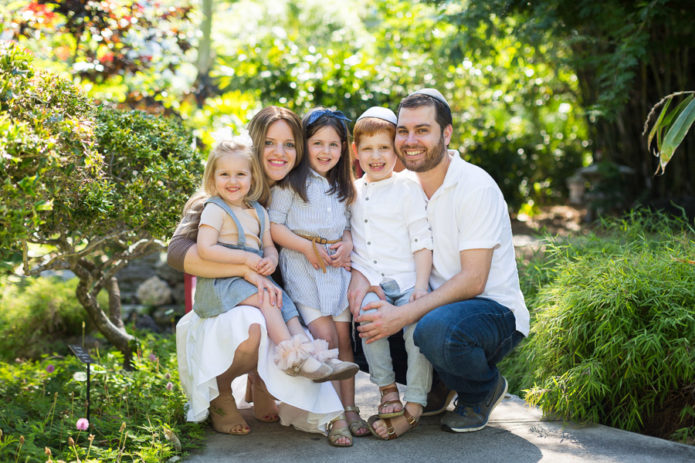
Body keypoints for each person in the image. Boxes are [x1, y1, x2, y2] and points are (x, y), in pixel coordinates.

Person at [353, 88, 530, 439]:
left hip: (489, 312)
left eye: (422, 130)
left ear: (446, 134)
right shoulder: (402, 184)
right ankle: (440, 383)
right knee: (364, 323)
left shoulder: (474, 186)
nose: (410, 140)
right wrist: (362, 284)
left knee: (432, 330)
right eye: (403, 131)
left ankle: (481, 389)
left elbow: (474, 279)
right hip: (428, 305)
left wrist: (403, 315)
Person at [171, 106, 351, 446]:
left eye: (289, 144)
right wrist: (243, 267)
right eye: (269, 142)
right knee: (254, 319)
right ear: (255, 145)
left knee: (284, 312)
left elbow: (342, 219)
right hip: (229, 299)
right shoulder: (221, 196)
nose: (279, 153)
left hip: (278, 293)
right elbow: (180, 253)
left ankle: (271, 383)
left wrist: (345, 242)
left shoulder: (296, 190)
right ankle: (222, 392)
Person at [179, 136, 355, 382]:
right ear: (212, 178)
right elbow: (206, 249)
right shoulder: (215, 209)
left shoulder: (258, 211)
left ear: (252, 177)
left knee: (286, 305)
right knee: (268, 299)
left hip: (253, 279)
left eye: (240, 174)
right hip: (222, 284)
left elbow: (269, 246)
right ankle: (293, 358)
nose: (232, 181)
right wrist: (246, 260)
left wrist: (271, 260)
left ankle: (317, 356)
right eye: (224, 175)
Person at [268, 108, 369, 446]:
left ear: (343, 149)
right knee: (323, 344)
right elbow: (274, 226)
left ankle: (351, 407)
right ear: (304, 144)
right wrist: (307, 247)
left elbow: (349, 227)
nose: (325, 152)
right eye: (317, 143)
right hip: (305, 272)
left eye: (333, 145)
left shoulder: (343, 186)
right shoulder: (290, 185)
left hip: (336, 274)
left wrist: (348, 244)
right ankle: (333, 415)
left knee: (345, 344)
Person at [348, 107, 434, 437]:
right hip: (373, 281)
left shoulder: (407, 187)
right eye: (368, 149)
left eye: (384, 147)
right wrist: (365, 281)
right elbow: (351, 240)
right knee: (368, 318)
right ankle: (386, 391)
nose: (376, 156)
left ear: (396, 150)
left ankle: (416, 398)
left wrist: (422, 287)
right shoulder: (352, 191)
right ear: (356, 152)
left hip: (409, 279)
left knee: (417, 333)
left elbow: (421, 239)